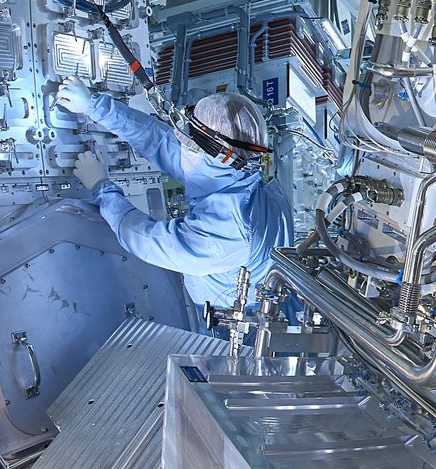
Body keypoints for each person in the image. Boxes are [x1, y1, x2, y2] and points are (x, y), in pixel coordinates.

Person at [58, 83, 292, 314]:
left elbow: (143, 238)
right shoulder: (235, 173)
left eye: (187, 142)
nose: (181, 147)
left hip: (238, 319)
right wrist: (93, 105)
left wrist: (101, 186)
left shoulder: (226, 232)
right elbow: (158, 141)